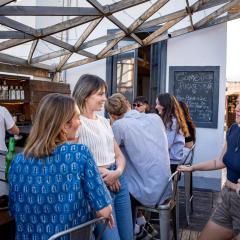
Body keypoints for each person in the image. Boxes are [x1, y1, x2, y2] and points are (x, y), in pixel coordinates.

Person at [8, 93, 113, 240]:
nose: (80, 123)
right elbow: (105, 211)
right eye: (77, 117)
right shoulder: (79, 154)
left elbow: (13, 211)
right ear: (64, 125)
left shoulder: (17, 162)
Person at [73, 74, 133, 240]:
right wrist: (106, 174)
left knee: (128, 235)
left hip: (119, 181)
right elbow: (74, 162)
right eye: (100, 94)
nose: (104, 99)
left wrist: (117, 172)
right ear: (85, 95)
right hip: (96, 184)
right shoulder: (76, 123)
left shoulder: (104, 121)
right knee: (111, 237)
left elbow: (119, 155)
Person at [105, 93, 172, 238]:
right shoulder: (155, 118)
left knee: (114, 186)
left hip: (149, 192)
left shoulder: (119, 125)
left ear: (112, 115)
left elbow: (109, 153)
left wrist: (112, 124)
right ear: (129, 104)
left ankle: (130, 229)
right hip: (166, 186)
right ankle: (141, 223)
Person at [178, 95, 240, 240]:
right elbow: (219, 162)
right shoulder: (233, 129)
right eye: (237, 103)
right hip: (227, 199)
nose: (237, 108)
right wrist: (192, 168)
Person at [155, 93, 189, 173]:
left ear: (165, 105)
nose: (156, 107)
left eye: (158, 104)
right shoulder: (175, 119)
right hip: (175, 158)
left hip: (172, 162)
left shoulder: (171, 122)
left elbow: (165, 145)